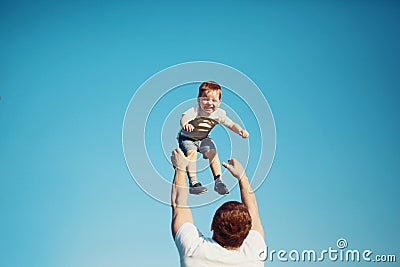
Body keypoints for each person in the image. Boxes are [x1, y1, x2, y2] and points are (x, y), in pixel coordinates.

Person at [171, 148, 266, 267]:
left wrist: (180, 168)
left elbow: (178, 204)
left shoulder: (194, 250)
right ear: (247, 232)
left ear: (212, 226)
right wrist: (242, 177)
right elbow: (253, 209)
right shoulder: (255, 253)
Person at [178, 81, 249, 195]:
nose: (209, 103)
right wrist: (185, 124)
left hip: (204, 138)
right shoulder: (196, 110)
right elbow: (184, 117)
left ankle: (218, 181)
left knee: (213, 153)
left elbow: (231, 124)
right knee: (192, 153)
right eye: (205, 99)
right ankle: (194, 182)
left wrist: (240, 130)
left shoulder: (219, 114)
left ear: (219, 103)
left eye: (214, 100)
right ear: (199, 99)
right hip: (187, 138)